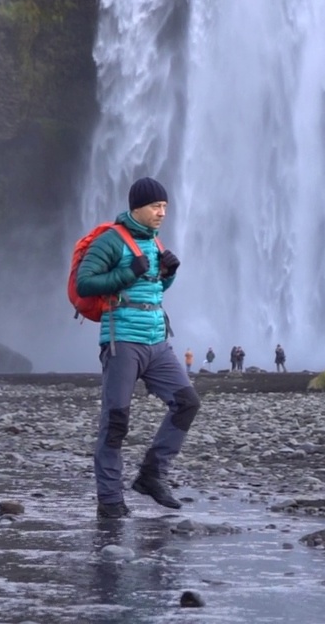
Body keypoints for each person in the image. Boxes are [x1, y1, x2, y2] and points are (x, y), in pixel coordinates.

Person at [76, 176, 199, 520]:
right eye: (156, 207)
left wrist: (168, 274)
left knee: (187, 403)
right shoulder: (111, 241)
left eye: (165, 207)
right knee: (116, 420)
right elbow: (86, 283)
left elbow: (153, 289)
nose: (162, 213)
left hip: (157, 340)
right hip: (123, 341)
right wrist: (126, 273)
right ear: (137, 208)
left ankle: (151, 474)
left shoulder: (156, 242)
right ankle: (111, 501)